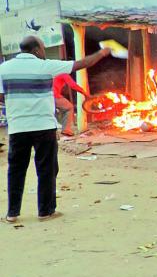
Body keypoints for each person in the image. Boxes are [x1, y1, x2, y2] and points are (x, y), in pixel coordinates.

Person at [0, 36, 110, 223]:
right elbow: (80, 64)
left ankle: (12, 214)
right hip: (43, 126)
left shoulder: (3, 69)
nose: (44, 51)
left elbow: (2, 96)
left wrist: (17, 102)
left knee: (16, 170)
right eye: (43, 48)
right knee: (47, 169)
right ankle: (46, 211)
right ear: (36, 50)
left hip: (18, 127)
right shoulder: (46, 66)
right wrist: (102, 52)